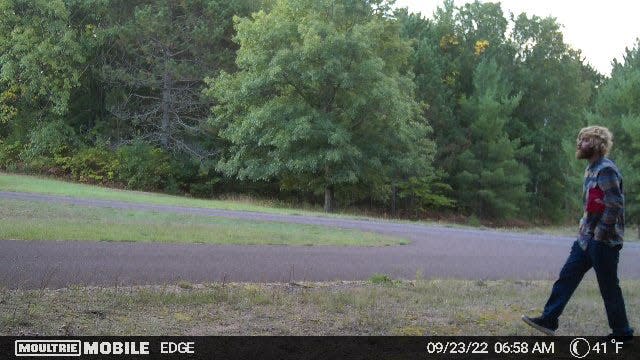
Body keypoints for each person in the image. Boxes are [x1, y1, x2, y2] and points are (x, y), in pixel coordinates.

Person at [522, 125, 634, 340]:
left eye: (584, 140)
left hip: (603, 241)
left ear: (596, 144)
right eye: (580, 139)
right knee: (566, 277)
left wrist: (599, 236)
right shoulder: (591, 168)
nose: (579, 143)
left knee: (609, 287)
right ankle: (548, 320)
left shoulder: (606, 169)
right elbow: (593, 205)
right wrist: (585, 233)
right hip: (585, 239)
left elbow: (614, 206)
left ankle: (622, 333)